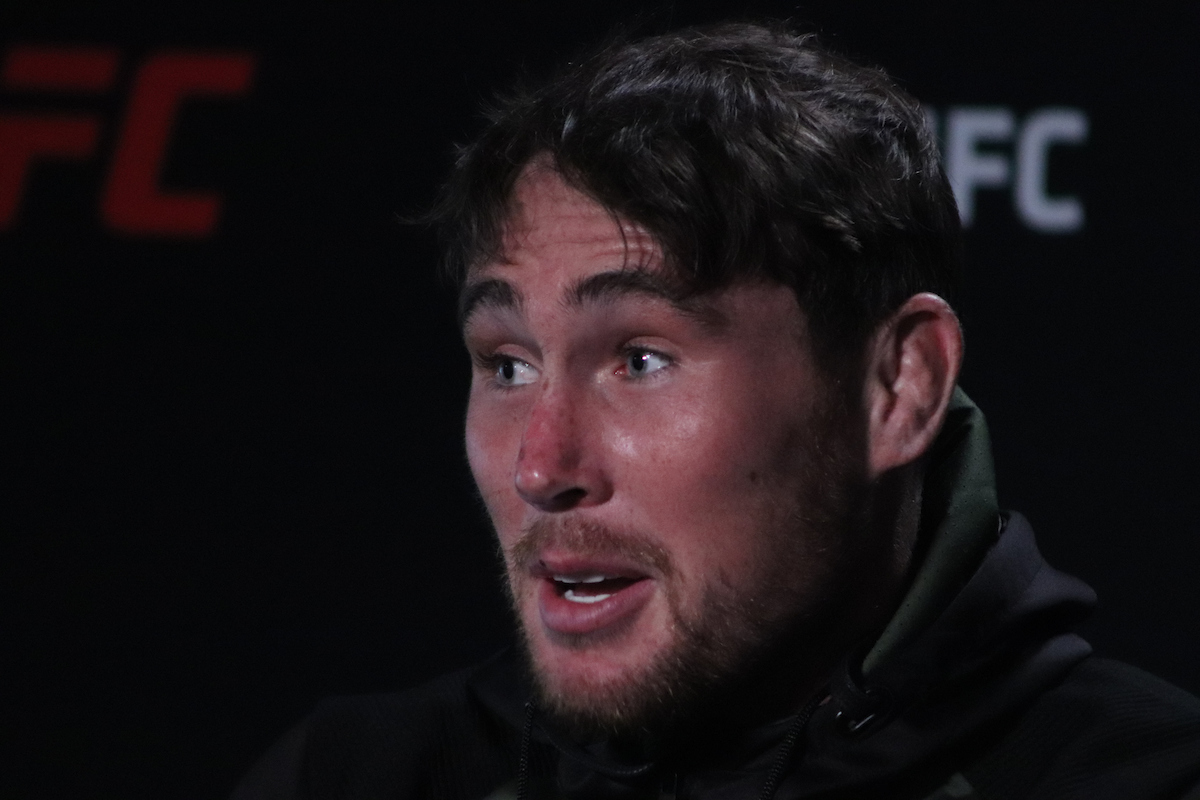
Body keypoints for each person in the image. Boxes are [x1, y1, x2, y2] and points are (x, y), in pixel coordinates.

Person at [231, 22, 1200, 800]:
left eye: (640, 359)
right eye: (509, 365)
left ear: (897, 386)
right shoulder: (355, 776)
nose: (541, 467)